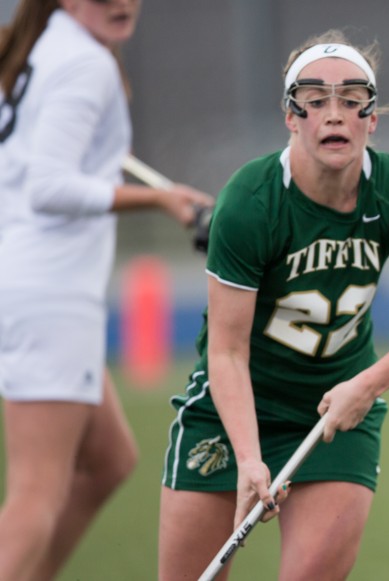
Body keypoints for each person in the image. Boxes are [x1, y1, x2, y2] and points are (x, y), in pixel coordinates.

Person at [157, 29, 389, 580]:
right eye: (316, 100)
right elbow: (227, 352)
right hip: (234, 407)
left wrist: (368, 385)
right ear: (291, 116)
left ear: (371, 119)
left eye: (351, 101)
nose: (334, 115)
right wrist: (250, 458)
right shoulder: (250, 201)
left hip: (336, 413)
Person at [0, 1, 213, 579]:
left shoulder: (45, 46)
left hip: (33, 287)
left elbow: (56, 157)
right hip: (49, 294)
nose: (120, 3)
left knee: (109, 459)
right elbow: (48, 185)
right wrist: (161, 199)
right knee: (36, 495)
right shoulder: (83, 64)